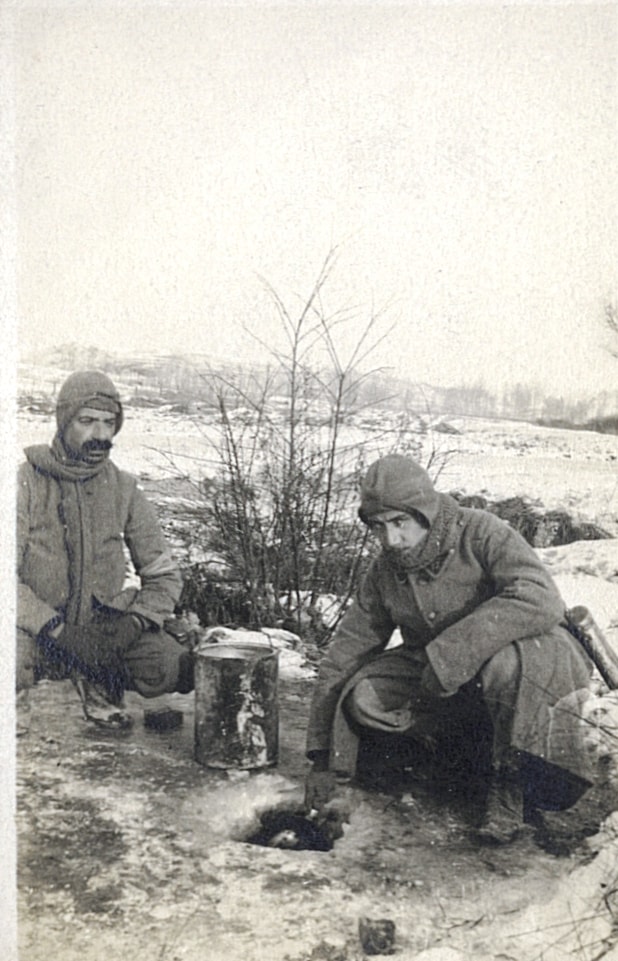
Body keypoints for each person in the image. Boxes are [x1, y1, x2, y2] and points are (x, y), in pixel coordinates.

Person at [305, 454, 594, 844]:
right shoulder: (384, 571)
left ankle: (511, 788)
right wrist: (321, 755)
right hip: (439, 674)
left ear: (423, 512)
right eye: (378, 526)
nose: (391, 539)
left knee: (504, 666)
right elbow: (347, 650)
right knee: (364, 697)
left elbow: (541, 598)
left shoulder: (481, 532)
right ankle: (456, 752)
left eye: (399, 522)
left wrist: (452, 652)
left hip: (529, 657)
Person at [16, 369, 194, 731]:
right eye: (87, 421)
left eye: (108, 423)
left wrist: (135, 621)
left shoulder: (125, 488)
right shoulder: (24, 482)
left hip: (102, 634)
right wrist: (55, 629)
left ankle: (100, 684)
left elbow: (163, 575)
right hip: (37, 630)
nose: (100, 435)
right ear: (64, 421)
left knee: (172, 664)